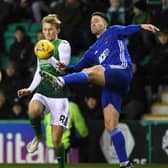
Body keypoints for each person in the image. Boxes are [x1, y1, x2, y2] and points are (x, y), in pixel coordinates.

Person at [40, 12, 160, 168]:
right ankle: (125, 163)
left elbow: (127, 29)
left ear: (105, 24)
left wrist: (142, 26)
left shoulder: (113, 31)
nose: (93, 24)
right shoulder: (92, 50)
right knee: (110, 126)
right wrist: (66, 68)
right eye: (91, 22)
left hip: (122, 72)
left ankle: (60, 82)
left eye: (96, 21)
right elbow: (77, 68)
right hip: (111, 85)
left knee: (95, 69)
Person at [17, 14, 71, 168]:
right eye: (45, 30)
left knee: (56, 140)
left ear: (58, 30)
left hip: (59, 95)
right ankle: (38, 136)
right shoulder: (41, 45)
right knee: (33, 109)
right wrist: (30, 88)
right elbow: (39, 71)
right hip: (43, 91)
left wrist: (49, 56)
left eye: (51, 29)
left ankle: (61, 166)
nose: (47, 33)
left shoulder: (63, 45)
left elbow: (63, 69)